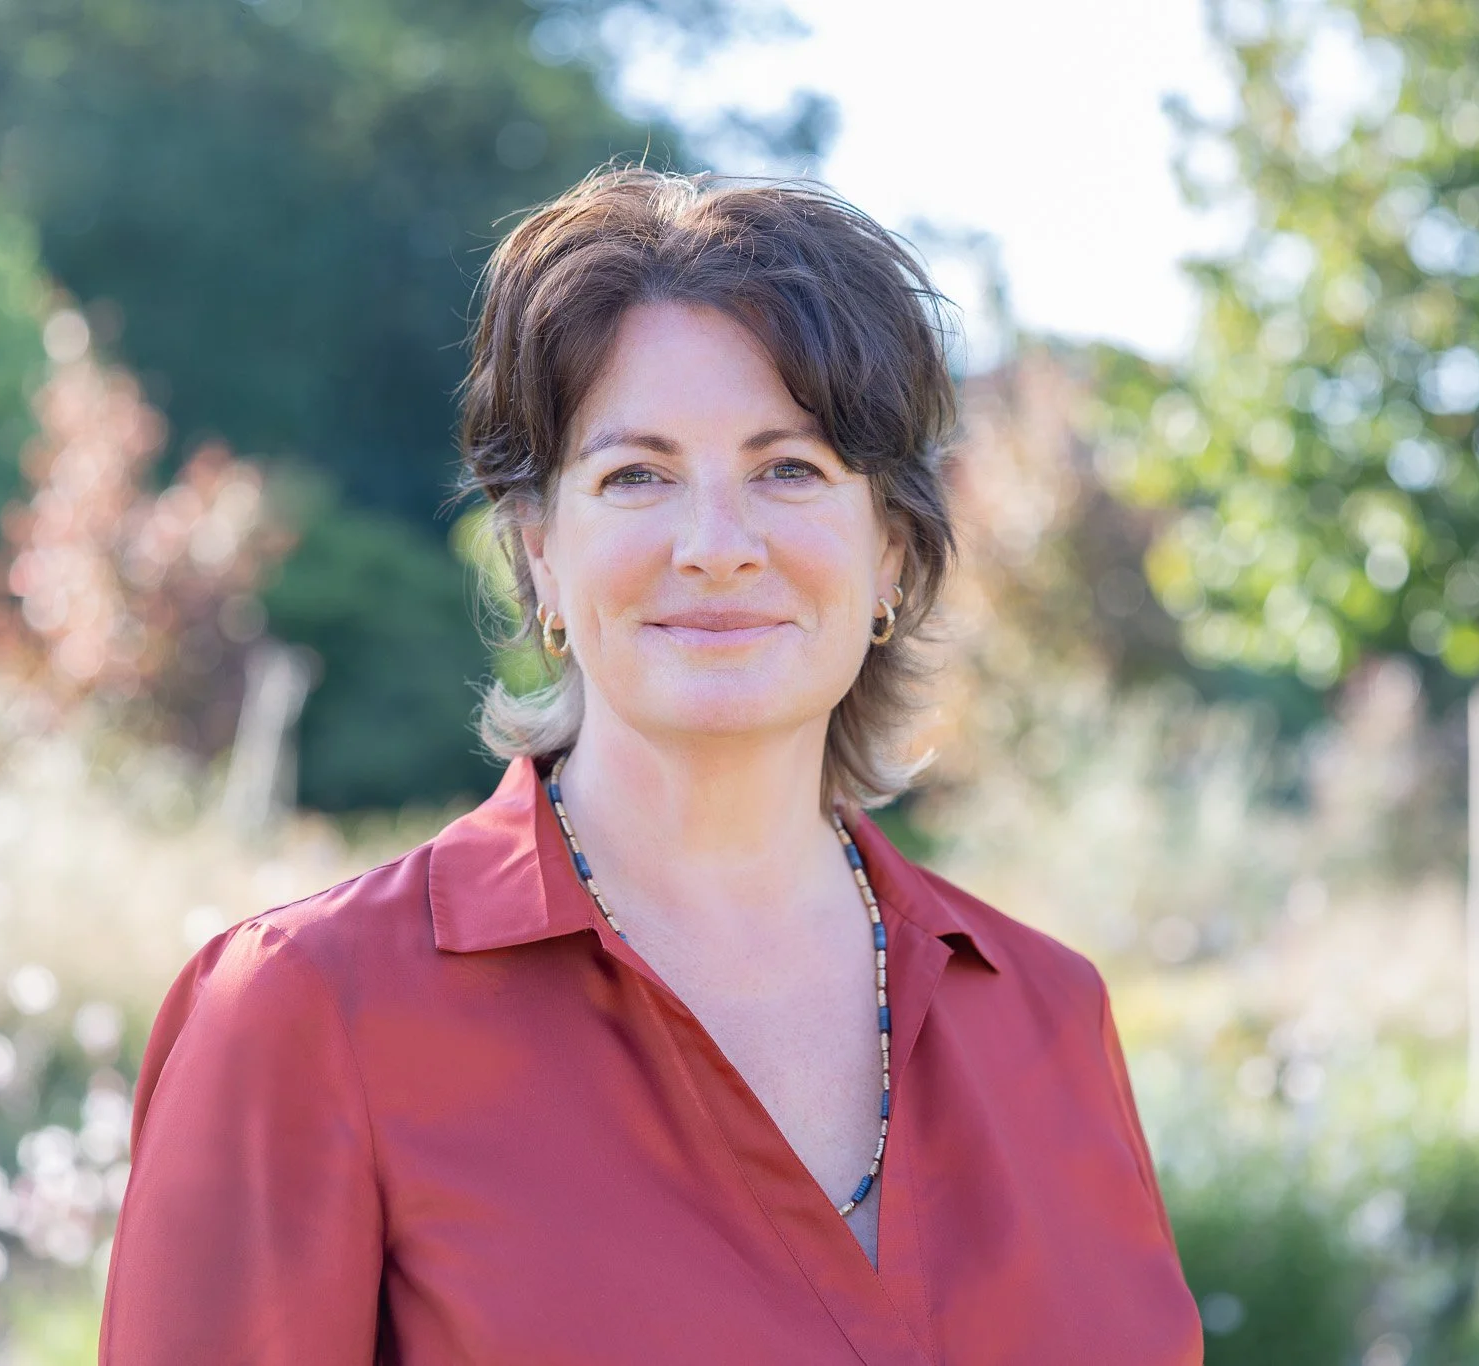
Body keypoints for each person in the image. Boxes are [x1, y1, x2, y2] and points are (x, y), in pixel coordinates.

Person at [100, 166, 1203, 1365]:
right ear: (538, 557)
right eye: (637, 474)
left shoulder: (1045, 1014)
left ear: (888, 551)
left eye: (788, 468)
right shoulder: (308, 1012)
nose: (715, 546)